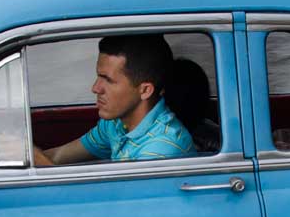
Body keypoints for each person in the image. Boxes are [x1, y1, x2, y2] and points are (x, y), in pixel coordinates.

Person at [10, 35, 195, 166]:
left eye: (108, 80)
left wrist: (40, 161)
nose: (95, 88)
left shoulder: (161, 149)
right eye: (98, 76)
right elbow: (59, 156)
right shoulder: (116, 124)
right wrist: (22, 154)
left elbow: (118, 212)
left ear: (145, 90)